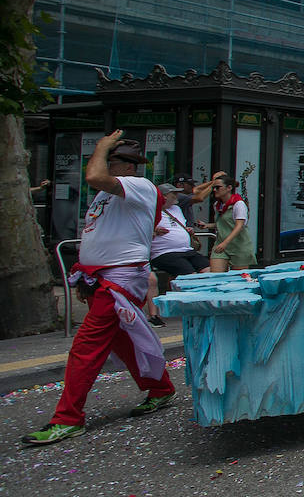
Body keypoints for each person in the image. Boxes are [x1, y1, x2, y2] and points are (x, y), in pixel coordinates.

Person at [22, 134, 177, 446]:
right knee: (121, 341)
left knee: (86, 347)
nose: (105, 164)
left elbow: (93, 176)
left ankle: (67, 418)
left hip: (118, 281)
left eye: (112, 160)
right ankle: (161, 390)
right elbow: (98, 231)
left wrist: (101, 146)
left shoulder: (139, 185)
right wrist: (85, 275)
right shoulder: (109, 195)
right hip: (101, 278)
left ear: (129, 166)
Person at [203, 175, 256, 272]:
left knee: (238, 278)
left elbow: (239, 225)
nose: (215, 190)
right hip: (220, 244)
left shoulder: (238, 204)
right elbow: (222, 224)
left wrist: (225, 243)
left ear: (229, 188)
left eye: (218, 187)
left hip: (238, 245)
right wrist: (207, 225)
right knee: (215, 276)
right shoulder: (217, 205)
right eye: (213, 188)